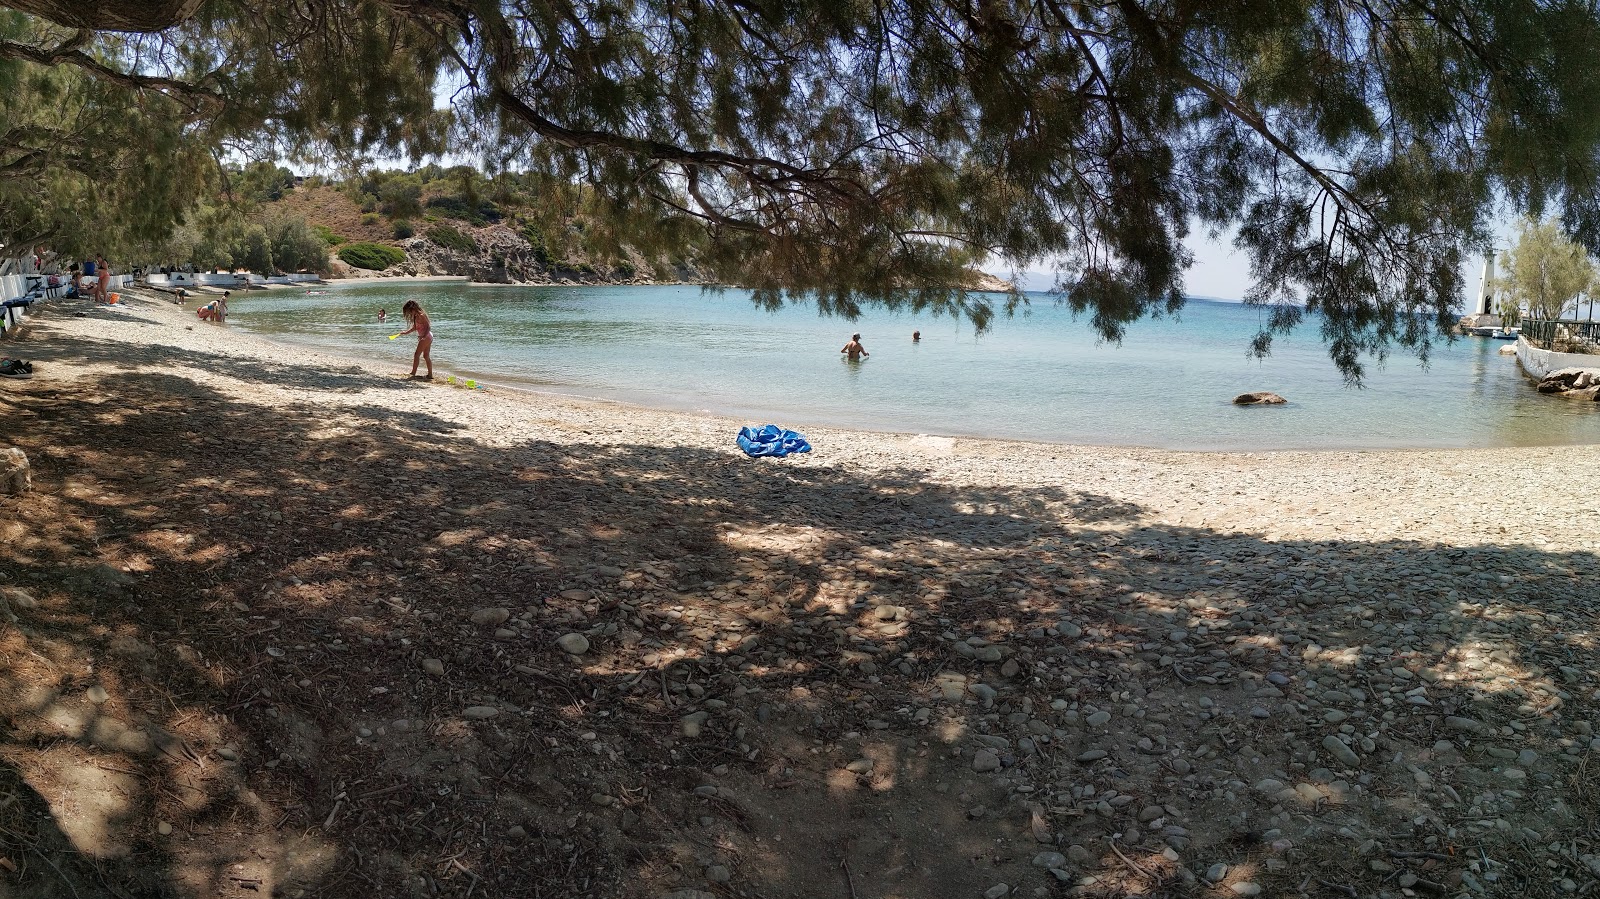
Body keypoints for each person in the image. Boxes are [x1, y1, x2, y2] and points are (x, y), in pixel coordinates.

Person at [397, 299, 433, 379]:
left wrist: (423, 336)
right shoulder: (416, 316)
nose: (409, 313)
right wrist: (406, 332)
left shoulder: (421, 315)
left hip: (426, 336)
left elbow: (428, 326)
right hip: (428, 337)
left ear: (413, 308)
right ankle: (430, 375)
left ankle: (413, 373)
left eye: (410, 311)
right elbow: (415, 327)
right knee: (426, 356)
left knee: (416, 355)